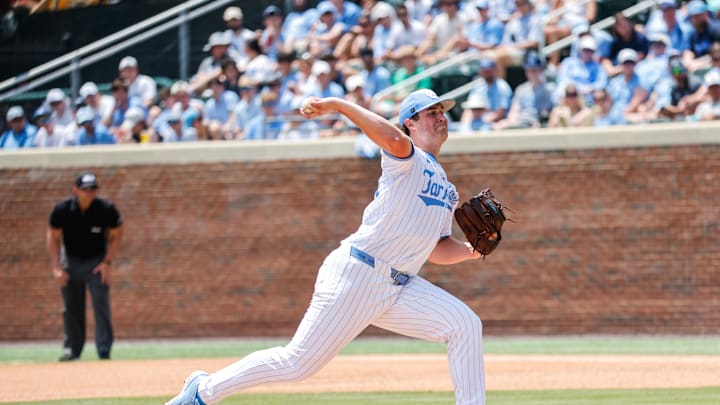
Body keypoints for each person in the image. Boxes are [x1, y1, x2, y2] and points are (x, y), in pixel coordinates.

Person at [166, 89, 488, 405]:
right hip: (358, 272)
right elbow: (392, 140)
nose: (440, 117)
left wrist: (472, 250)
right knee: (297, 363)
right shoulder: (406, 157)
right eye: (431, 112)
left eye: (441, 112)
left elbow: (438, 249)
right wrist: (337, 105)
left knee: (464, 325)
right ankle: (203, 390)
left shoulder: (447, 188)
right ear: (410, 123)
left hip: (399, 287)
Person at [47, 172, 123, 362]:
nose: (89, 193)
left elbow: (117, 234)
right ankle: (72, 350)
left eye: (93, 189)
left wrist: (107, 262)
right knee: (71, 307)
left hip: (96, 262)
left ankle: (104, 350)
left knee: (100, 303)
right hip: (70, 261)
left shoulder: (106, 209)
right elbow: (53, 237)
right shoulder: (62, 209)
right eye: (85, 189)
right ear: (76, 190)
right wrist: (57, 267)